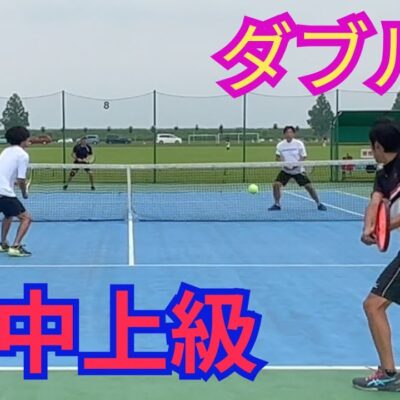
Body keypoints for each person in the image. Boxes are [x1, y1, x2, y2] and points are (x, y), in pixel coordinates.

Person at [353, 121, 400, 391]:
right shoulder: (384, 174)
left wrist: (384, 227)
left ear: (379, 146)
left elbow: (389, 219)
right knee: (375, 305)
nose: (372, 151)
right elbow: (374, 203)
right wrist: (368, 228)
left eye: (373, 147)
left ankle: (389, 373)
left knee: (374, 305)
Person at [268, 126, 326, 211]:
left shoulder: (299, 144)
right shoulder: (280, 145)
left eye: (291, 132)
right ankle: (277, 204)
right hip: (286, 170)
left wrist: (297, 164)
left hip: (298, 170)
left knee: (309, 187)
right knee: (276, 185)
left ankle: (319, 203)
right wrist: (283, 163)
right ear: (284, 134)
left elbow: (304, 156)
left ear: (293, 134)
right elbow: (277, 157)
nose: (289, 134)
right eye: (287, 132)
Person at [0, 126, 32, 256]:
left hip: (2, 191)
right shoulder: (23, 155)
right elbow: (21, 179)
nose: (29, 141)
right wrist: (24, 193)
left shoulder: (5, 151)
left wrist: (13, 182)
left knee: (8, 215)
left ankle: (3, 244)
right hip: (5, 193)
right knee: (26, 218)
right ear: (23, 140)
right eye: (27, 138)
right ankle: (16, 246)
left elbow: (5, 173)